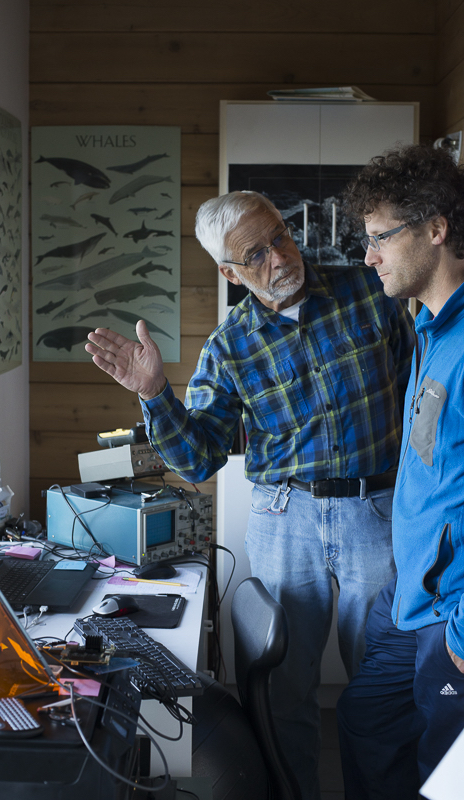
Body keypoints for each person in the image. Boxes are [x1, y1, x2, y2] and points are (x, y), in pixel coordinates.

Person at [85, 190, 414, 800]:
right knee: (284, 688)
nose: (277, 257)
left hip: (377, 506)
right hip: (283, 517)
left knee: (382, 682)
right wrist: (155, 392)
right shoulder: (229, 346)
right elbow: (199, 458)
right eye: (254, 254)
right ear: (228, 271)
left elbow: (415, 378)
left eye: (279, 237)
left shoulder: (369, 291)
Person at [336, 142, 464, 799]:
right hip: (407, 592)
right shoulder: (426, 325)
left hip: (453, 614)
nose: (368, 256)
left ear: (436, 230)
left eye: (380, 236)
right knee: (365, 723)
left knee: (443, 777)